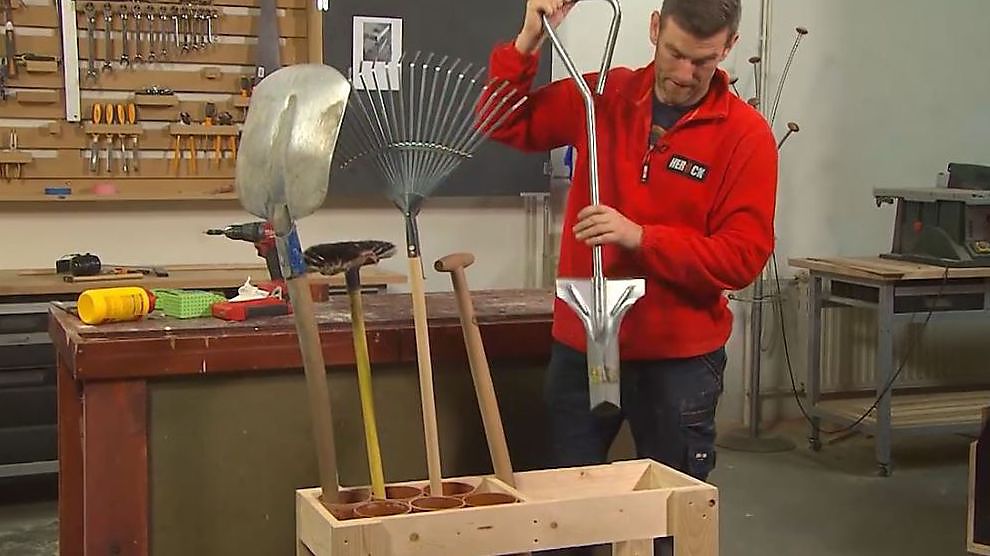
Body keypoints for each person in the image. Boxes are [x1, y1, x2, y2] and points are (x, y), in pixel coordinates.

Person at [483, 0, 777, 553]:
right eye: (675, 54)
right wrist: (527, 39)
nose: (685, 75)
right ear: (653, 29)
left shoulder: (745, 136)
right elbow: (499, 122)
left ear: (728, 48)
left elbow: (742, 258)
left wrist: (642, 239)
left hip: (678, 361)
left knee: (669, 520)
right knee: (571, 512)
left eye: (703, 61)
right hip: (594, 340)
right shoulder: (601, 99)